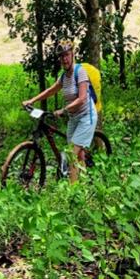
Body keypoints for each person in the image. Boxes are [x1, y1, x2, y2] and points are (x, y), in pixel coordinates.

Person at [22, 42, 97, 183]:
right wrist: (32, 100)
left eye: (67, 55)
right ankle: (86, 183)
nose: (64, 59)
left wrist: (63, 110)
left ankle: (73, 193)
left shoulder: (79, 72)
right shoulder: (64, 77)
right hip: (74, 118)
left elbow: (82, 98)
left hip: (87, 117)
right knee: (78, 155)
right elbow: (50, 90)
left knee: (71, 156)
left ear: (72, 55)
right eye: (61, 57)